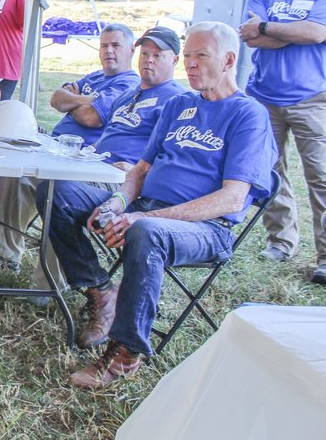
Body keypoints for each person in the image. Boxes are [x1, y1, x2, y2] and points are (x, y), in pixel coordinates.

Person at [53, 22, 276, 388]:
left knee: (146, 231)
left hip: (205, 228)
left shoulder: (248, 114)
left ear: (229, 60)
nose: (190, 64)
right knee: (58, 191)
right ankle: (99, 290)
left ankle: (124, 353)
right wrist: (118, 201)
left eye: (200, 55)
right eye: (187, 56)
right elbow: (140, 170)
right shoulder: (179, 104)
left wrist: (143, 215)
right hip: (145, 208)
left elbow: (232, 197)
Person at [0, 27, 186, 302]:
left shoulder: (175, 98)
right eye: (146, 53)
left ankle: (49, 285)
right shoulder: (131, 94)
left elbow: (170, 152)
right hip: (91, 162)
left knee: (57, 191)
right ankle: (4, 252)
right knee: (21, 177)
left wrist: (138, 169)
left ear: (174, 59)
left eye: (158, 55)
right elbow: (65, 103)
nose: (148, 60)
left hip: (118, 179)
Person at [0, 25, 141, 264]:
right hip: (53, 146)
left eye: (116, 46)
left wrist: (76, 103)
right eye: (104, 45)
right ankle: (0, 249)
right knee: (7, 162)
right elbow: (57, 99)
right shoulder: (96, 77)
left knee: (39, 184)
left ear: (131, 50)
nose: (109, 51)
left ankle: (35, 273)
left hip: (79, 158)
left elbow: (92, 117)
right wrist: (87, 100)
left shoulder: (127, 83)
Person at [239, 0, 326, 280]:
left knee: (320, 176)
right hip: (263, 96)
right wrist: (287, 31)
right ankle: (281, 241)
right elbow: (251, 37)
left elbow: (317, 33)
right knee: (271, 172)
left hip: (312, 98)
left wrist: (267, 26)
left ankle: (325, 258)